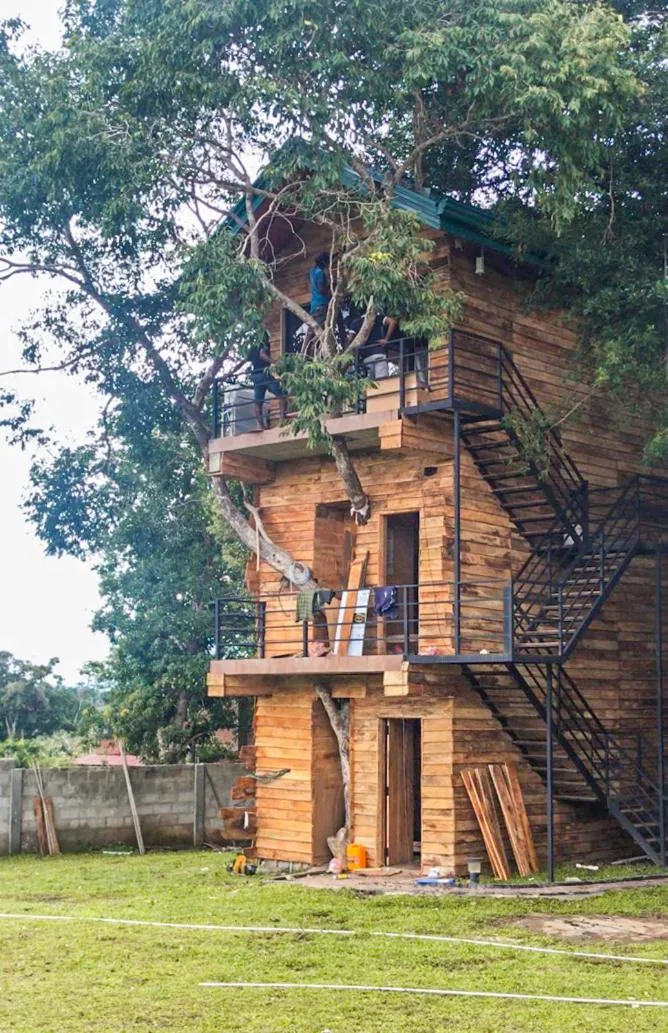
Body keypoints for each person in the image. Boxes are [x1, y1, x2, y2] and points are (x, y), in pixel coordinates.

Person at [247, 333, 287, 429]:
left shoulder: (252, 348)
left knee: (258, 402)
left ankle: (262, 426)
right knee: (282, 394)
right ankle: (281, 420)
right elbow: (262, 354)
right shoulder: (263, 344)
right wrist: (274, 362)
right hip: (264, 374)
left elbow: (243, 362)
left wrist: (229, 373)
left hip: (255, 376)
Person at [309, 251, 331, 326]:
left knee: (314, 330)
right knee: (321, 331)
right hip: (321, 305)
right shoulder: (320, 272)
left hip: (314, 307)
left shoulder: (312, 271)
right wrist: (329, 282)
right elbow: (321, 289)